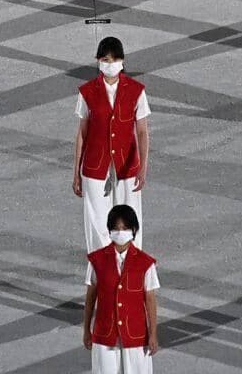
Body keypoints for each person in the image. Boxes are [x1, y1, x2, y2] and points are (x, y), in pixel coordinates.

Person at [72, 37, 151, 252]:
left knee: (130, 215)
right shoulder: (87, 92)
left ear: (123, 61)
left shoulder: (136, 91)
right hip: (95, 165)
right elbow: (82, 133)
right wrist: (76, 172)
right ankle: (102, 267)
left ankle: (131, 266)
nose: (110, 64)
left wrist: (143, 167)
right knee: (97, 219)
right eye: (105, 59)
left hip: (127, 164)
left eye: (114, 59)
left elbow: (142, 132)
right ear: (98, 61)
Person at [82, 205, 160, 373]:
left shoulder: (145, 263)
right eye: (116, 228)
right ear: (109, 231)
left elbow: (150, 301)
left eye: (125, 228)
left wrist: (153, 334)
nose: (120, 232)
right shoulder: (96, 260)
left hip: (136, 336)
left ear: (133, 230)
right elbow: (90, 299)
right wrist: (86, 330)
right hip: (104, 335)